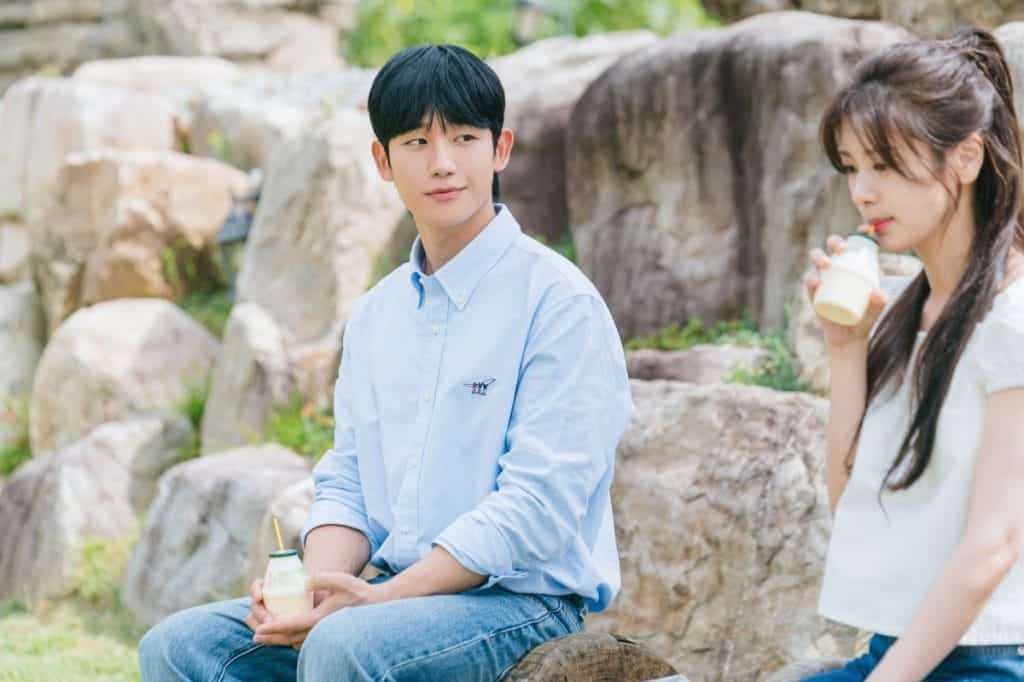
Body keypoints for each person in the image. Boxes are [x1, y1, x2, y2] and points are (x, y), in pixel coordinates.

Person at [137, 43, 633, 681]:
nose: (443, 163)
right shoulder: (377, 314)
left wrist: (378, 601)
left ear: (500, 149)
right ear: (382, 160)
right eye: (417, 143)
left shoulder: (559, 303)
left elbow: (537, 507)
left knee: (344, 647)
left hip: (521, 603)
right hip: (391, 599)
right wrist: (317, 587)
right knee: (178, 647)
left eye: (464, 138)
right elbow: (349, 480)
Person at [802, 27, 1024, 681]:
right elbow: (854, 504)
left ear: (967, 157)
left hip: (991, 661)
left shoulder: (1013, 316)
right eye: (852, 167)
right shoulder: (906, 308)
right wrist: (846, 348)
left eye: (886, 164)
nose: (863, 192)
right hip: (899, 650)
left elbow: (995, 545)